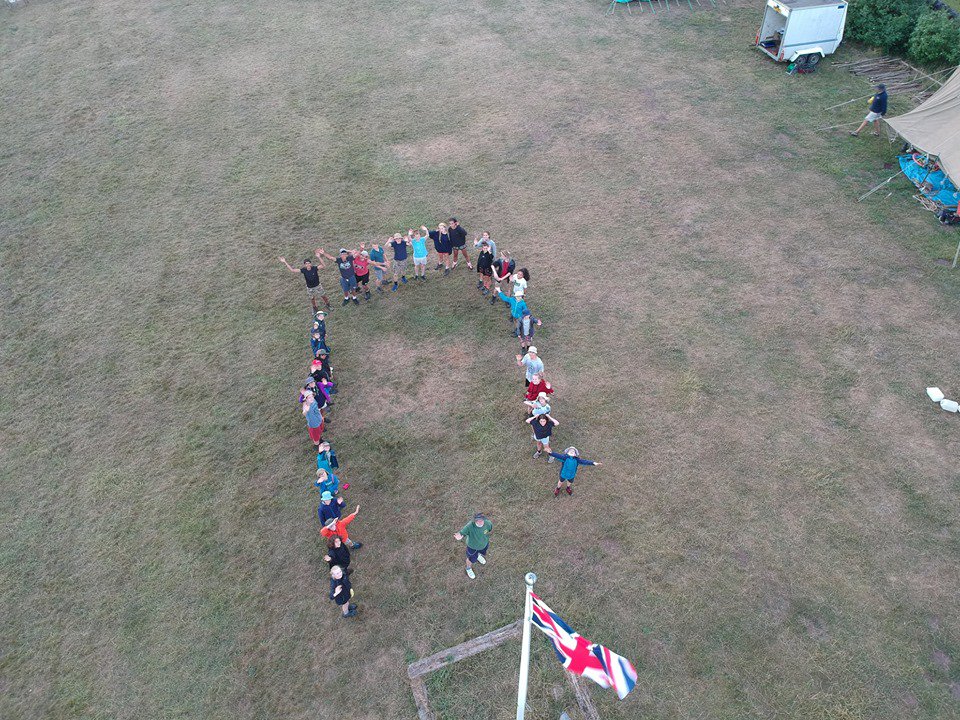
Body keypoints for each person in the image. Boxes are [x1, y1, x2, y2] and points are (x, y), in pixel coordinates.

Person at [453, 512, 492, 580]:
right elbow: (461, 533)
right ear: (475, 520)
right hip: (473, 548)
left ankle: (478, 556)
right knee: (470, 559)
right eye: (478, 520)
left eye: (482, 519)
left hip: (484, 545)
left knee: (480, 552)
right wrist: (459, 536)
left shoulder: (488, 523)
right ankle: (468, 568)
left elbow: (489, 530)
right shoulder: (470, 526)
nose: (480, 522)